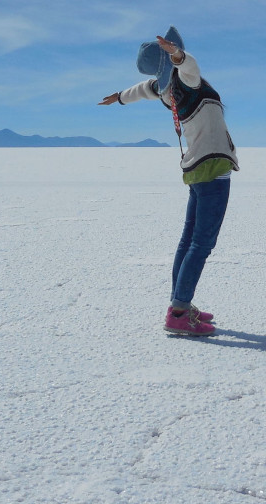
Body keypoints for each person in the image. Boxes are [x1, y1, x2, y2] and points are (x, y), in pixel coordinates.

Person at [100, 27, 239, 336]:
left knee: (189, 240)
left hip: (196, 169)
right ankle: (178, 312)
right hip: (213, 168)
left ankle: (179, 304)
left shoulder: (165, 91)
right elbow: (188, 65)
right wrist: (176, 55)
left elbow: (142, 88)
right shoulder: (186, 80)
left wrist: (120, 98)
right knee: (201, 243)